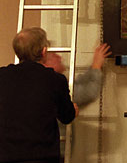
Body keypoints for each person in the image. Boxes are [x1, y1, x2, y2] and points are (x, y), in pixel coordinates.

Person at [0, 27, 77, 163]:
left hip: (6, 155)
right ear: (43, 51)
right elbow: (66, 116)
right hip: (42, 156)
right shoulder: (55, 80)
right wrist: (73, 110)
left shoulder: (2, 76)